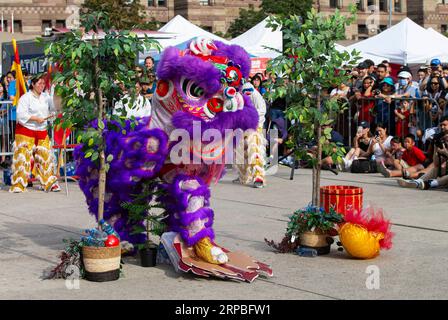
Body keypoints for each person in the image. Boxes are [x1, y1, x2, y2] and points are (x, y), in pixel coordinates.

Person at [9, 74, 60, 193]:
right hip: (26, 130)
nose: (42, 86)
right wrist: (35, 119)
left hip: (41, 131)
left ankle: (49, 182)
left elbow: (54, 107)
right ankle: (19, 183)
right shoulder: (25, 98)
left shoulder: (46, 97)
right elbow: (21, 115)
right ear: (33, 84)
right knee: (23, 158)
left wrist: (57, 93)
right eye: (39, 83)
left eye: (43, 84)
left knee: (45, 157)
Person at [397, 116, 448, 189]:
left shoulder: (414, 149)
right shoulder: (440, 138)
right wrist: (436, 147)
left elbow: (425, 159)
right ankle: (418, 182)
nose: (442, 127)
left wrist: (445, 152)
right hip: (440, 169)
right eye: (441, 125)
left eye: (445, 125)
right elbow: (436, 163)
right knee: (436, 167)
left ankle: (429, 183)